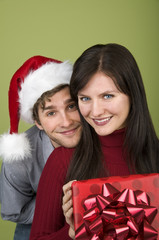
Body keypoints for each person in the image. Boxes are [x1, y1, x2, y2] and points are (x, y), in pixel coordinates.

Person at [29, 44, 159, 240]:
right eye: (85, 98)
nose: (95, 111)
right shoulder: (63, 160)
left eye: (107, 96)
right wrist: (73, 232)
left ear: (132, 95)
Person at [0, 55, 82, 240]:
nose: (66, 121)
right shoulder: (20, 158)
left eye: (71, 106)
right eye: (51, 112)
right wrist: (58, 205)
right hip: (33, 224)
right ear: (37, 121)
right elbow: (13, 211)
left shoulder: (101, 132)